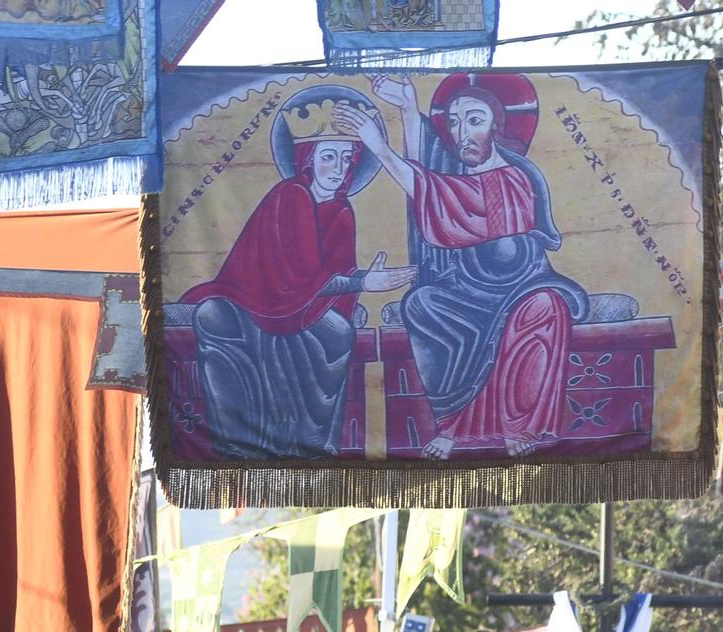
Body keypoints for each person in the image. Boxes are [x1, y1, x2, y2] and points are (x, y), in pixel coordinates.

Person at [338, 72, 589, 460]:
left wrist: (380, 147)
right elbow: (427, 167)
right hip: (469, 292)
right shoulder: (458, 169)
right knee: (420, 303)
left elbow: (434, 190)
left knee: (543, 309)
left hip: (521, 289)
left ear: (498, 126)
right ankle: (453, 426)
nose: (461, 133)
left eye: (474, 120)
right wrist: (408, 106)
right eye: (453, 122)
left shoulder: (513, 177)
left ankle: (517, 425)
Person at [178, 84, 414, 460]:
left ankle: (310, 443)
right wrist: (363, 281)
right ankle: (238, 441)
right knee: (212, 318)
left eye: (347, 158)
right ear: (306, 158)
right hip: (250, 301)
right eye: (328, 157)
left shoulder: (341, 211)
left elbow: (331, 281)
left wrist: (358, 283)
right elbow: (295, 275)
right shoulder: (291, 195)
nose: (339, 169)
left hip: (304, 308)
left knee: (339, 333)